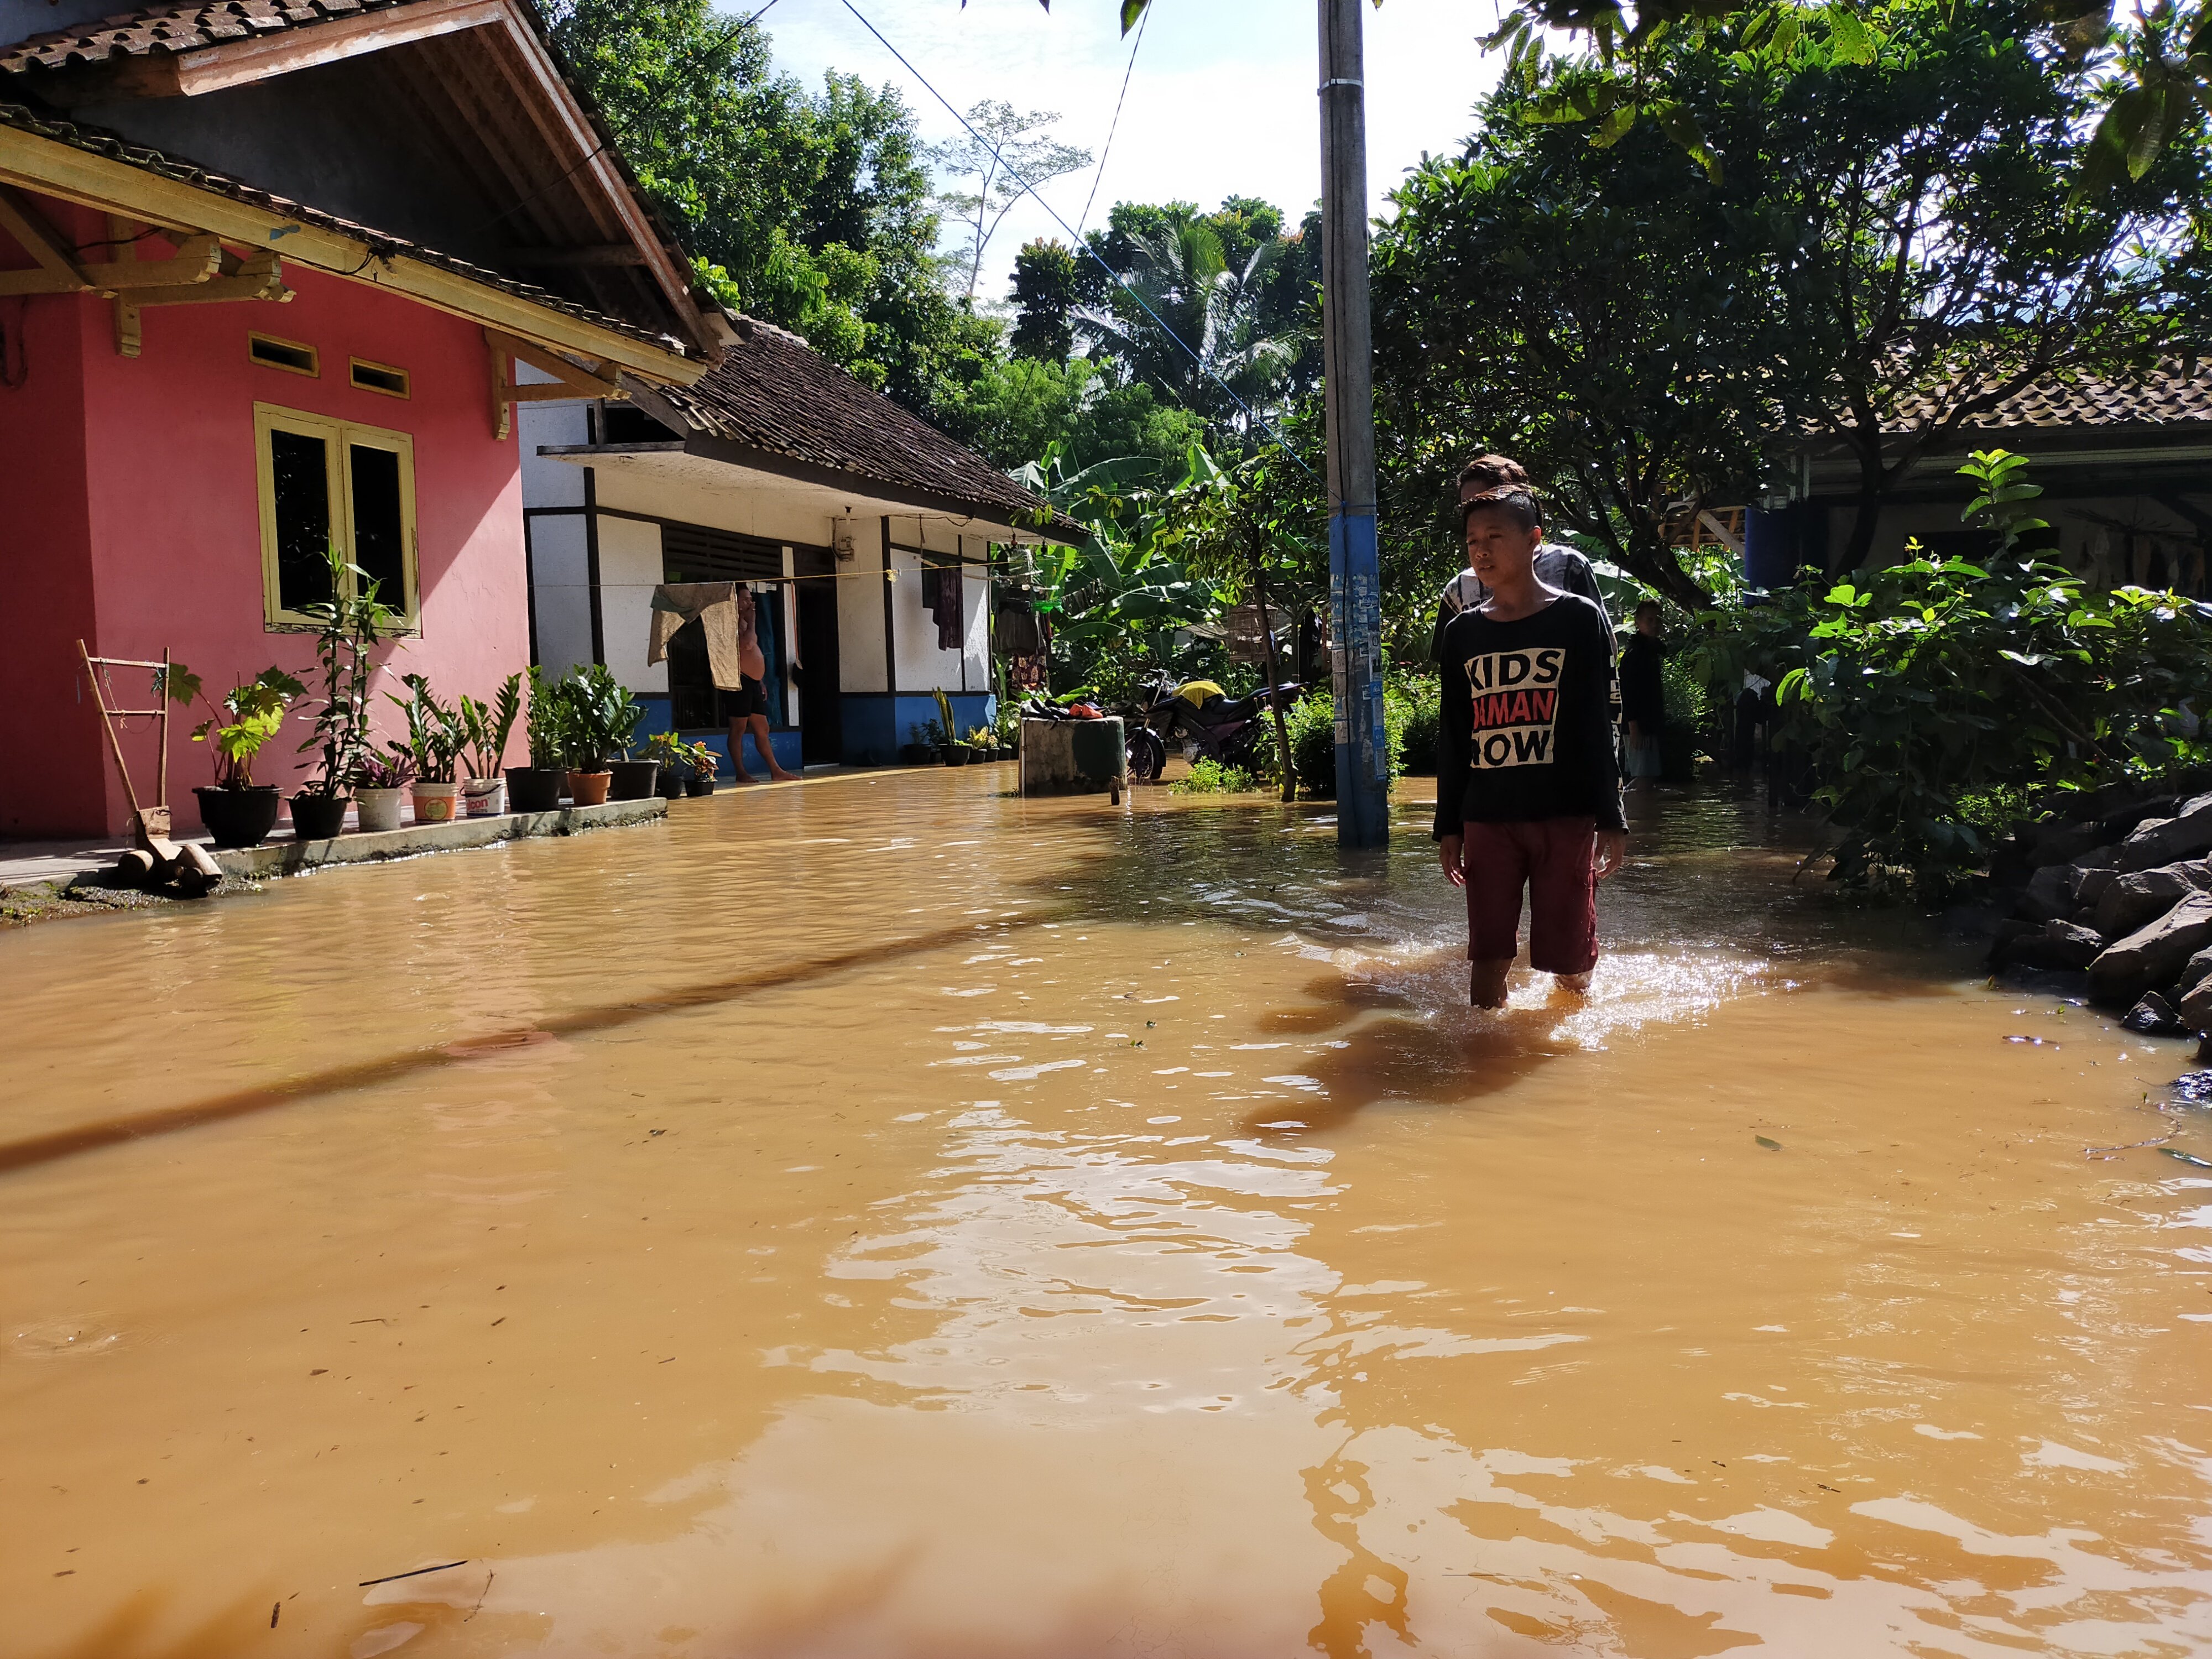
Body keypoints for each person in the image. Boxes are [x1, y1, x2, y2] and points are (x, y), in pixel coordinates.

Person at [1435, 479, 1626, 1009]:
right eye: (1473, 539)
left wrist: (1611, 816)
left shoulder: (1577, 619)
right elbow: (1453, 734)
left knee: (1570, 962)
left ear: (1533, 540)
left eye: (1495, 536)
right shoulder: (1462, 634)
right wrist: (1447, 825)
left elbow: (1595, 723)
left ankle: (1569, 1056)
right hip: (1487, 815)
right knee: (1488, 955)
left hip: (1564, 815)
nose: (1481, 550)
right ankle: (1483, 1058)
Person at [1431, 455, 1614, 662]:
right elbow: (1452, 668)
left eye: (1486, 500)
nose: (1476, 512)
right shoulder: (1459, 590)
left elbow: (1603, 649)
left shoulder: (1567, 566)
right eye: (1467, 506)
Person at [728, 587, 798, 783]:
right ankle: (741, 772)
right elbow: (748, 645)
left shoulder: (745, 622)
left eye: (751, 599)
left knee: (762, 727)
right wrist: (752, 621)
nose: (750, 604)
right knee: (738, 728)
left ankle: (775, 770)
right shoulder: (731, 624)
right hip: (738, 681)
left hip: (753, 682)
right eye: (745, 600)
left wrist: (760, 680)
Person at [1618, 599, 1667, 785]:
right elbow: (1627, 692)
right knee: (1644, 777)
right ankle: (1625, 809)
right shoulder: (1635, 654)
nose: (1655, 625)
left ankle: (1636, 812)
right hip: (1639, 726)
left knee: (1647, 776)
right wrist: (1634, 728)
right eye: (1650, 620)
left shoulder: (1651, 652)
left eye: (1659, 620)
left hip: (1648, 724)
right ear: (1637, 621)